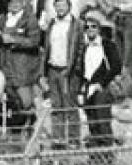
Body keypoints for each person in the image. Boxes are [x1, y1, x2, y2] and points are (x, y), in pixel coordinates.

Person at [72, 9, 121, 147]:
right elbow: (82, 70)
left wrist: (102, 83)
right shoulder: (85, 48)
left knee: (102, 120)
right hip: (88, 88)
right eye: (87, 27)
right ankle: (95, 152)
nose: (90, 29)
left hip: (102, 88)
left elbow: (116, 66)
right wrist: (81, 88)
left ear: (99, 28)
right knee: (92, 121)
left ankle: (106, 151)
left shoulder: (107, 45)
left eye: (93, 26)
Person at [0, 0, 41, 130]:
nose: (14, 5)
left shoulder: (30, 19)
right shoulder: (3, 18)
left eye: (17, 1)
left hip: (22, 65)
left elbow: (34, 41)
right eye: (11, 2)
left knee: (25, 99)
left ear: (23, 3)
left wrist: (13, 40)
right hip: (5, 64)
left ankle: (31, 129)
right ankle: (16, 129)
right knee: (11, 98)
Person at [41, 0, 81, 148]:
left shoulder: (76, 25)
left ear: (69, 7)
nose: (60, 8)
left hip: (68, 71)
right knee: (56, 105)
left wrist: (74, 69)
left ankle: (73, 139)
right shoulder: (52, 24)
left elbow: (79, 49)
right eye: (57, 6)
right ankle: (58, 139)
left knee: (70, 105)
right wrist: (44, 71)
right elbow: (46, 47)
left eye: (63, 5)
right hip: (53, 68)